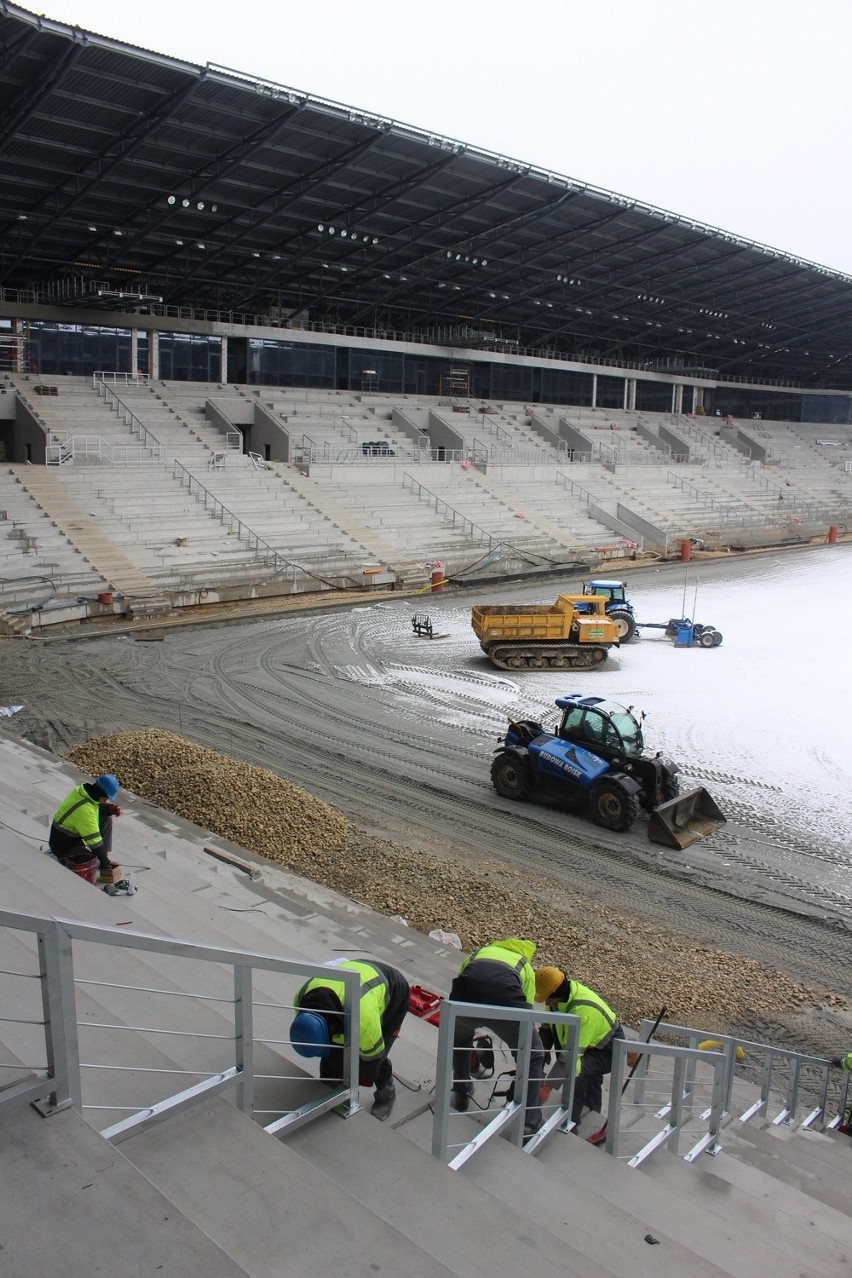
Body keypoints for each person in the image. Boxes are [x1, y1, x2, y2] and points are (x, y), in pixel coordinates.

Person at [290, 958, 409, 1120]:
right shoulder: (301, 998)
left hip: (393, 989)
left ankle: (386, 1094)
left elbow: (373, 1056)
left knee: (375, 1060)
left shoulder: (362, 1019)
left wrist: (359, 1078)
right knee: (333, 1055)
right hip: (356, 978)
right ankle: (332, 1088)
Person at [449, 937, 544, 1137]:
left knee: (460, 1041)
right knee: (532, 1054)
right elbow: (526, 1008)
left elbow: (461, 977)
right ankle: (529, 1121)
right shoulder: (524, 965)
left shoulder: (479, 953)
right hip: (505, 1001)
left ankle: (461, 1090)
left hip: (465, 999)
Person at [535, 966, 624, 1128]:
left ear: (556, 994)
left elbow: (569, 1057)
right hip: (587, 1043)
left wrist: (547, 1088)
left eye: (548, 999)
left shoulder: (583, 1012)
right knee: (591, 1080)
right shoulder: (557, 1000)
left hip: (607, 1049)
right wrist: (544, 1046)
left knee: (579, 1071)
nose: (546, 1002)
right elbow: (546, 1028)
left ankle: (570, 1121)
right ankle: (592, 1114)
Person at [49, 773, 122, 882]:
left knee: (107, 818)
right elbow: (95, 843)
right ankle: (66, 861)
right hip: (63, 846)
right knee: (95, 862)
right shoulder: (85, 811)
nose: (106, 800)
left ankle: (103, 856)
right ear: (102, 794)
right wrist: (105, 864)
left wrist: (106, 809)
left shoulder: (83, 791)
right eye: (106, 798)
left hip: (72, 837)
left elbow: (92, 807)